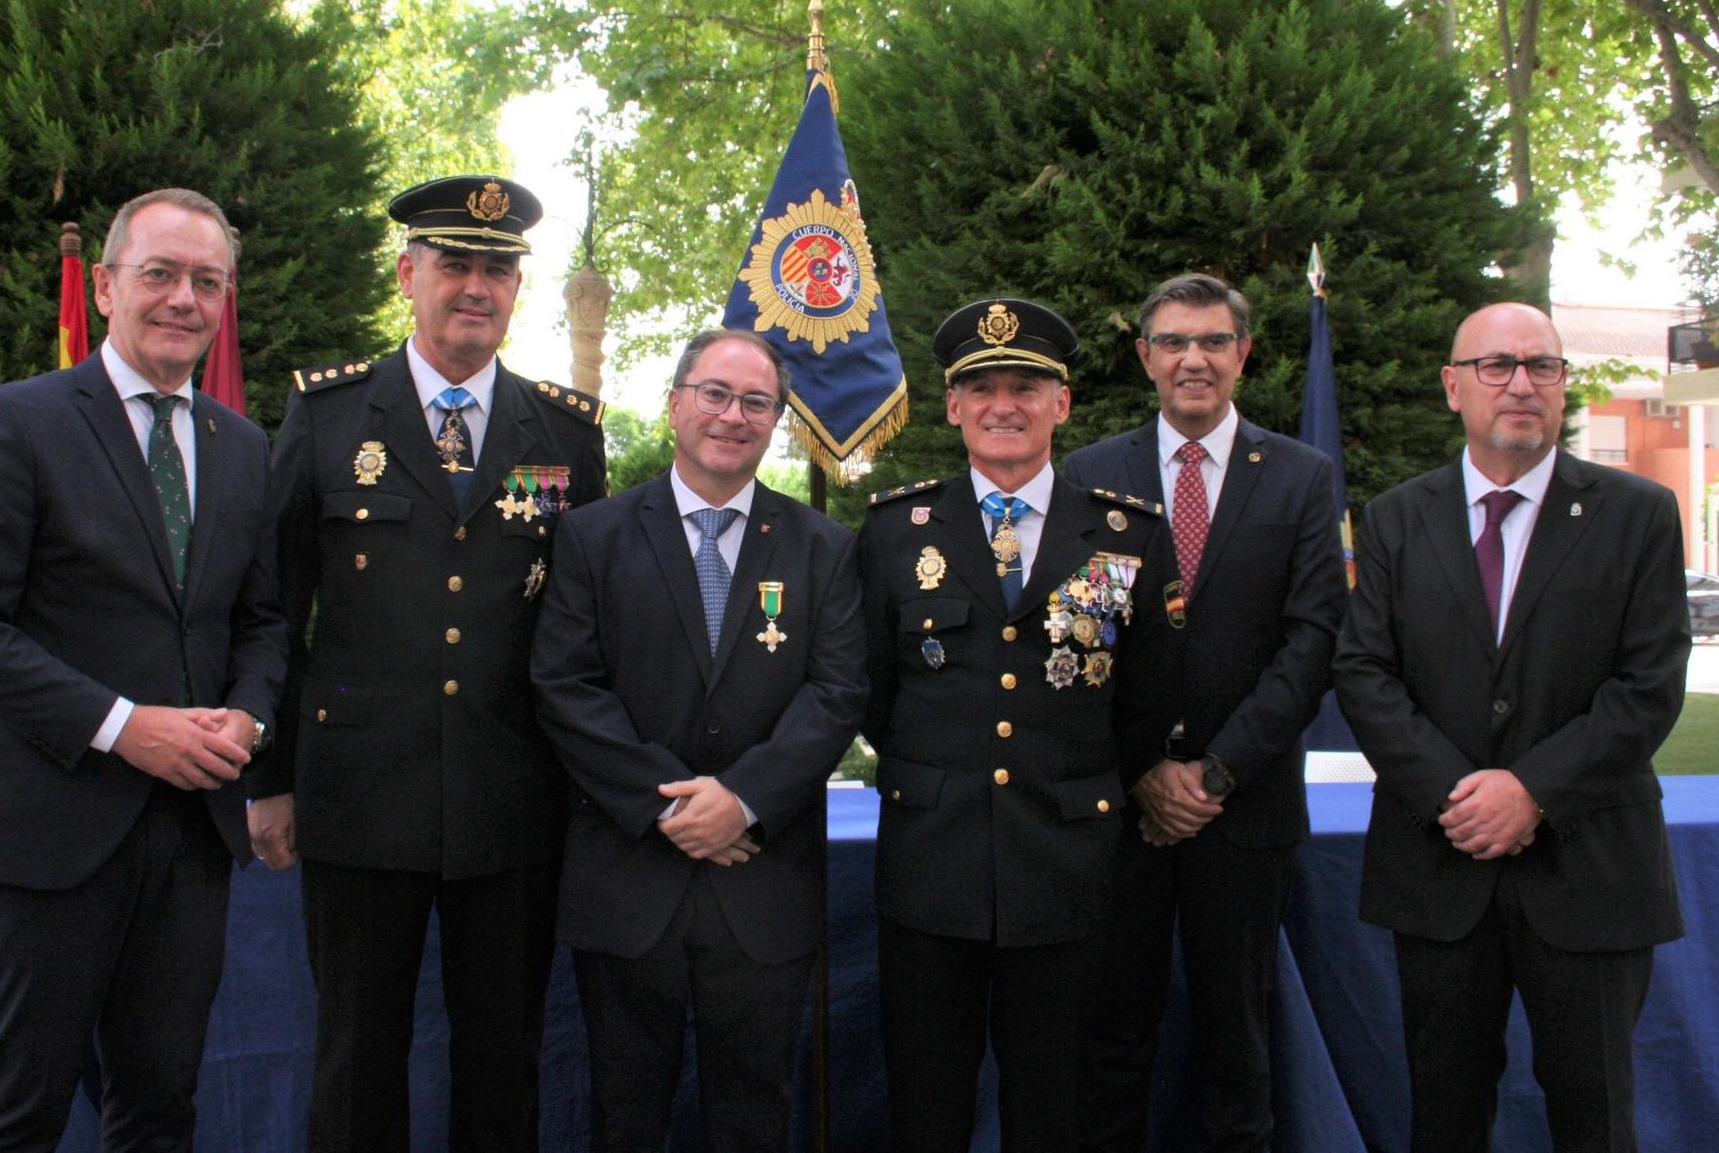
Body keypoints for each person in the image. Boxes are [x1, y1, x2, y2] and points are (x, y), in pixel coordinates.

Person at [0, 188, 283, 1150]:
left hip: (190, 836)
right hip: (48, 836)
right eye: (159, 274)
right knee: (20, 1112)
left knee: (160, 1108)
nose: (183, 300)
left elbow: (263, 621)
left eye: (206, 281)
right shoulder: (18, 420)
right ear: (108, 286)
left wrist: (249, 718)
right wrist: (125, 723)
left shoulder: (244, 449)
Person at [246, 175, 606, 1152]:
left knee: (505, 1054)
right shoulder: (326, 418)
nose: (475, 286)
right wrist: (268, 778)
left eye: (497, 269)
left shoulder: (563, 432)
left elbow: (580, 626)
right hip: (359, 795)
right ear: (409, 274)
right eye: (454, 264)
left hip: (511, 795)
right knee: (356, 1054)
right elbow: (273, 607)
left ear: (517, 290)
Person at [1334, 301, 1689, 1152]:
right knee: (1445, 1114)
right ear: (1454, 386)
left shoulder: (1637, 513)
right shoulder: (1393, 520)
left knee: (1595, 1115)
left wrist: (1532, 790)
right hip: (1438, 866)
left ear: (1565, 386)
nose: (1520, 383)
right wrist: (1459, 795)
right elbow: (1363, 671)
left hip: (1591, 869)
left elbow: (1649, 684)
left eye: (1542, 366)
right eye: (1497, 365)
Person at [531, 329, 866, 1152]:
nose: (732, 415)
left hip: (763, 886)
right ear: (676, 402)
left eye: (757, 401)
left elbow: (838, 691)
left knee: (755, 1115)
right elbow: (565, 685)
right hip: (629, 878)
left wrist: (744, 800)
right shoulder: (592, 535)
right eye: (714, 393)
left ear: (778, 420)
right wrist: (673, 807)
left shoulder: (823, 547)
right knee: (624, 1115)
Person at [858, 298, 1172, 1152]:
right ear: (953, 405)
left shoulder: (1127, 534)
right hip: (933, 859)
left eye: (1025, 387)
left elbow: (1146, 698)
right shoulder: (895, 530)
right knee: (927, 1100)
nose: (1004, 404)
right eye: (982, 387)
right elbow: (873, 690)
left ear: (1060, 405)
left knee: (1055, 1104)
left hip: (1065, 862)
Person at [1063, 273, 1345, 1152]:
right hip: (1122, 812)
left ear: (1242, 355)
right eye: (1175, 341)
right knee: (1113, 1039)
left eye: (1214, 341)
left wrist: (1215, 773)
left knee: (1239, 1040)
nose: (1194, 358)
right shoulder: (1089, 473)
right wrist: (1144, 770)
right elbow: (1082, 641)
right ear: (1146, 357)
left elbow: (1311, 645)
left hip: (1244, 810)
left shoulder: (1302, 476)